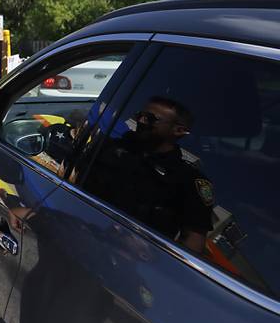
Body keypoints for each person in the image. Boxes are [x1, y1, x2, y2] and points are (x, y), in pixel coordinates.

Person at [84, 96, 214, 253]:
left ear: (178, 131)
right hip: (81, 228)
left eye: (151, 119)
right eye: (140, 116)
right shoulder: (111, 148)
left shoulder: (187, 180)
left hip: (128, 257)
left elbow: (193, 240)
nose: (142, 122)